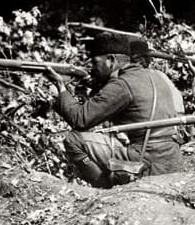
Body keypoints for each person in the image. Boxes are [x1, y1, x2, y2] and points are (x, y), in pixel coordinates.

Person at [46, 32, 183, 187]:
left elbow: (80, 119)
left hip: (148, 159)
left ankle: (104, 188)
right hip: (171, 157)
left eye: (95, 63)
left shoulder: (121, 85)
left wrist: (61, 88)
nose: (92, 68)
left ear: (110, 60)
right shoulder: (155, 76)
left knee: (73, 140)